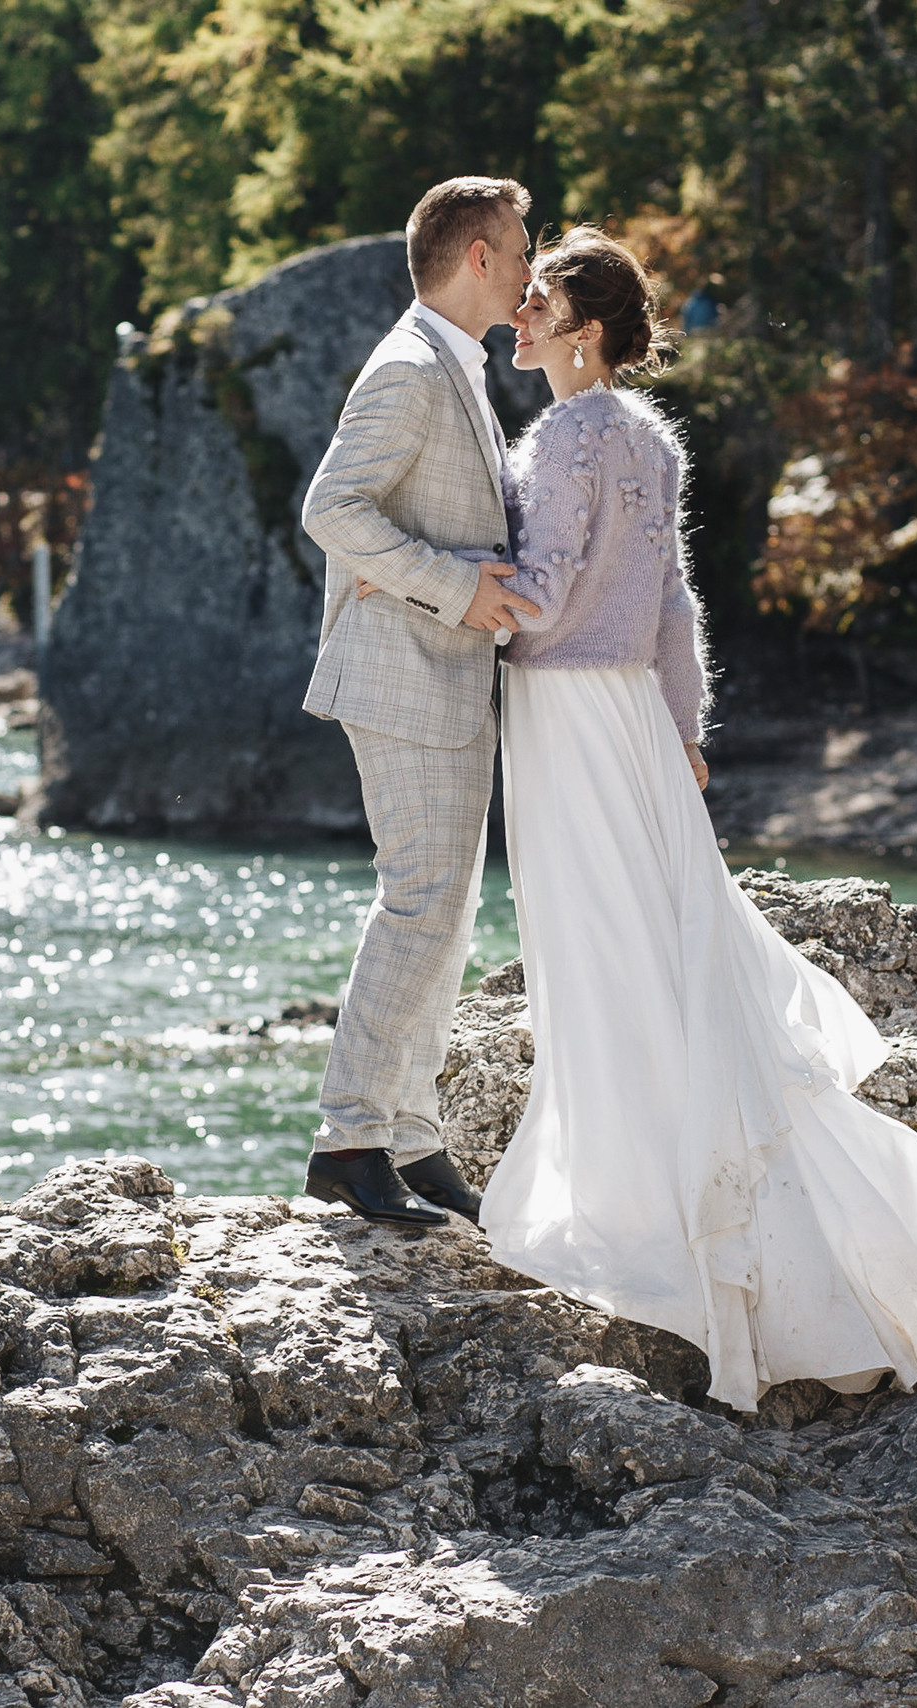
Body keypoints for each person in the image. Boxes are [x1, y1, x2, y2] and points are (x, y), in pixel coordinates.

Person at [371, 227, 917, 1412]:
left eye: (534, 303)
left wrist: (451, 600)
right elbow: (672, 602)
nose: (515, 317)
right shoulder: (651, 440)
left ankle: (649, 1221)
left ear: (581, 329)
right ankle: (743, 1226)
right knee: (665, 951)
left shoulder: (571, 432)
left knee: (604, 959)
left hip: (568, 714)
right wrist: (683, 728)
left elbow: (554, 581)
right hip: (629, 715)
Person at [296, 177, 541, 1228]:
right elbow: (329, 507)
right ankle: (347, 1138)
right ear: (478, 256)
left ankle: (412, 1138)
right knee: (420, 902)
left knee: (442, 912)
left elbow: (413, 518)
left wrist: (470, 572)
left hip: (438, 673)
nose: (533, 267)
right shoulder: (407, 367)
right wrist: (453, 585)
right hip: (402, 673)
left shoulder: (457, 363)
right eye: (523, 248)